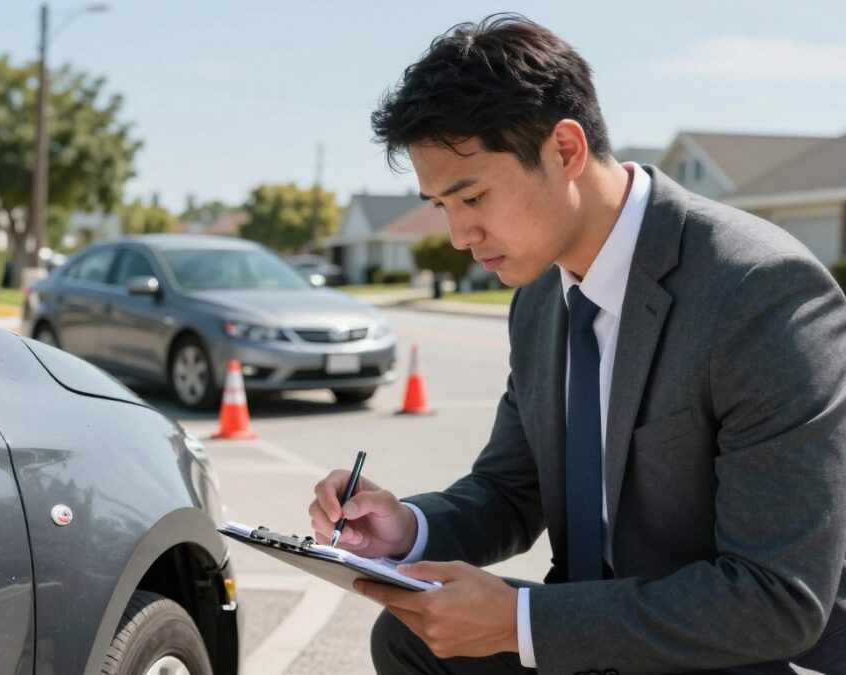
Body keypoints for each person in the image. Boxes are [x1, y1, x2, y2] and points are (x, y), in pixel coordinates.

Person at [309, 14, 846, 674]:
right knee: (407, 637)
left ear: (565, 149)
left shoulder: (760, 294)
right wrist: (407, 528)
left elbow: (777, 599)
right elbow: (510, 490)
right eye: (441, 205)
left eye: (470, 195)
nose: (458, 234)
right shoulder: (539, 297)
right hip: (595, 633)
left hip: (733, 650)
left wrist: (521, 621)